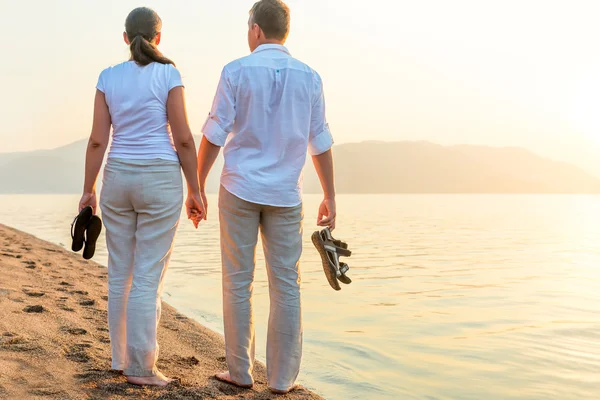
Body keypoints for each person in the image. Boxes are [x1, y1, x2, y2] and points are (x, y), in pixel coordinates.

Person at [197, 0, 336, 394]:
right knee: (286, 284)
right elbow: (320, 140)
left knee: (238, 282)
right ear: (285, 31)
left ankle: (240, 372)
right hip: (285, 194)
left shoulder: (236, 71)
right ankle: (281, 380)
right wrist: (330, 195)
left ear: (255, 29)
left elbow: (215, 132)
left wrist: (197, 185)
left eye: (248, 27)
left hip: (239, 187)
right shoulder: (310, 77)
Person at [78, 7, 205, 387]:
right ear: (159, 38)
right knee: (148, 275)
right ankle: (141, 368)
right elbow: (183, 138)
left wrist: (89, 189)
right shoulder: (169, 73)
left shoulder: (107, 77)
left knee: (120, 274)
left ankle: (120, 360)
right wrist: (196, 189)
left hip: (118, 176)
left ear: (125, 38)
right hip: (160, 178)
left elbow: (98, 139)